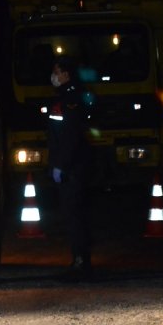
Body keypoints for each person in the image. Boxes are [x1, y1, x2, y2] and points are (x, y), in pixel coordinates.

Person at [47, 56, 93, 279]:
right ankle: (78, 259)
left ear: (65, 74)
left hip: (72, 168)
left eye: (56, 71)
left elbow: (70, 136)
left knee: (75, 215)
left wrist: (61, 165)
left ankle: (81, 262)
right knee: (73, 214)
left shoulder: (70, 99)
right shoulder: (65, 96)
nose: (53, 76)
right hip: (70, 165)